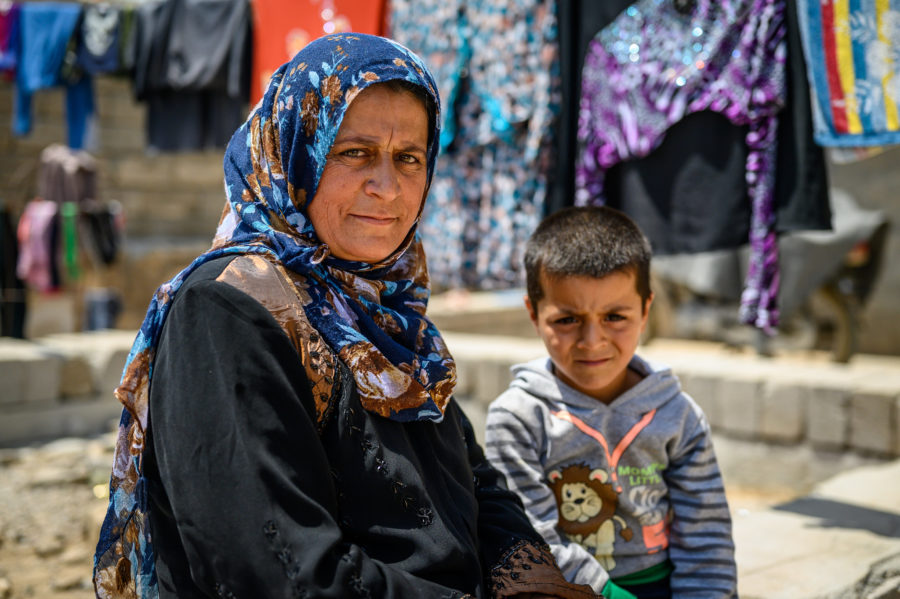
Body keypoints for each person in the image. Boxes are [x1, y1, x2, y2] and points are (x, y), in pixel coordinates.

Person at [92, 34, 600, 599]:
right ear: (294, 152)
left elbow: (476, 485)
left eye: (408, 158)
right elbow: (278, 572)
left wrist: (531, 580)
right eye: (354, 152)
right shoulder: (229, 310)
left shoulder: (381, 305)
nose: (386, 188)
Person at [484, 206, 737, 598]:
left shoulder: (678, 414)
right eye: (567, 320)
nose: (592, 341)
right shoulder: (517, 418)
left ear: (646, 310)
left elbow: (706, 536)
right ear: (533, 313)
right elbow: (533, 533)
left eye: (615, 316)